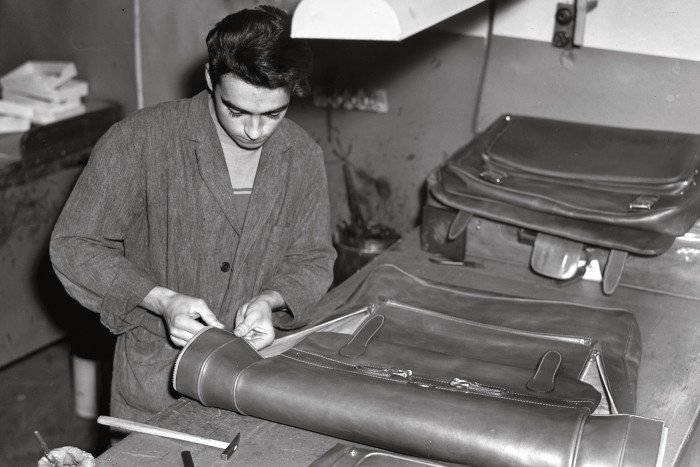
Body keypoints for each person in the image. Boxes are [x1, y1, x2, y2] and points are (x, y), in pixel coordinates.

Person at [50, 5, 336, 423]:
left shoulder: (302, 156)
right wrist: (161, 300)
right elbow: (75, 246)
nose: (254, 131)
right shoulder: (141, 139)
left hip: (254, 378)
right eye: (236, 110)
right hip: (157, 379)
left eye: (273, 113)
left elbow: (312, 259)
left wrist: (269, 301)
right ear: (209, 79)